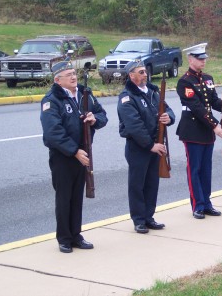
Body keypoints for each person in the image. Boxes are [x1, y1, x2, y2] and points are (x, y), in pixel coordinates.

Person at [40, 60, 108, 253]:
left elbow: (102, 115)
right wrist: (74, 151)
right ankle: (64, 238)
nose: (73, 77)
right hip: (64, 156)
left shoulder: (84, 94)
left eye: (73, 73)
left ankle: (76, 234)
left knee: (77, 196)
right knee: (64, 197)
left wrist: (94, 119)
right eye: (68, 74)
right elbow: (53, 133)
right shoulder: (52, 100)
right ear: (57, 79)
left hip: (83, 152)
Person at [117, 59, 175, 233]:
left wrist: (168, 117)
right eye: (140, 72)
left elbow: (168, 109)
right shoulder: (127, 97)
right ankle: (139, 220)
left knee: (152, 183)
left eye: (145, 71)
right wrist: (151, 145)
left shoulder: (153, 92)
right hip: (139, 147)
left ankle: (149, 217)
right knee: (137, 185)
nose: (145, 74)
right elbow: (134, 126)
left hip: (156, 144)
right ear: (131, 75)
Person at [176, 43, 222, 219]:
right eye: (200, 59)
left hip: (206, 130)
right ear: (190, 59)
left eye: (204, 58)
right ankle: (197, 204)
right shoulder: (185, 81)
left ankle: (207, 203)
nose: (203, 61)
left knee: (206, 169)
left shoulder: (207, 78)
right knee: (195, 169)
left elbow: (212, 101)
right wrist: (215, 125)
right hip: (193, 130)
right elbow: (197, 107)